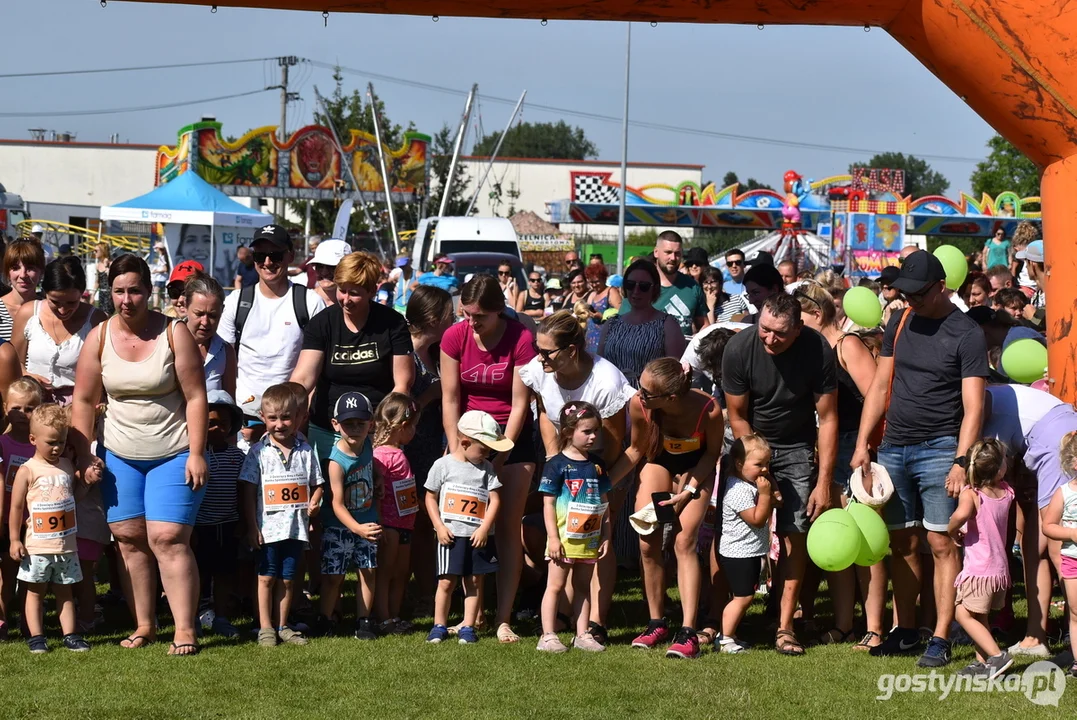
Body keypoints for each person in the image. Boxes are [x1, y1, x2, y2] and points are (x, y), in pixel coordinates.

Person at [852, 250, 988, 667]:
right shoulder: (900, 320)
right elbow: (879, 386)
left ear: (942, 287)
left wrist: (961, 461)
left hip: (941, 448)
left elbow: (974, 407)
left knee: (940, 542)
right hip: (894, 446)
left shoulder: (967, 333)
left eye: (918, 294)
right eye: (905, 293)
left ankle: (942, 637)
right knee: (901, 542)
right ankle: (907, 631)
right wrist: (863, 443)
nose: (910, 300)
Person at [71, 252, 209, 656]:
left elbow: (197, 397)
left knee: (167, 537)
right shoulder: (98, 336)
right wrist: (84, 453)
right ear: (108, 293)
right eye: (118, 291)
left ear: (149, 292)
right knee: (129, 539)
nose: (126, 299)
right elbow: (82, 399)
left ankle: (184, 629)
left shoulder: (174, 333)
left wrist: (197, 453)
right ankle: (144, 625)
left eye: (134, 290)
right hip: (119, 455)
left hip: (174, 451)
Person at [723, 292, 838, 657]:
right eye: (765, 330)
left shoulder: (818, 349)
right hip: (749, 443)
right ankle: (718, 619)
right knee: (732, 529)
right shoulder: (740, 347)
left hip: (796, 447)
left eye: (780, 334)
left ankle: (785, 627)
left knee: (795, 535)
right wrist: (755, 463)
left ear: (799, 328)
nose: (770, 339)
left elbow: (829, 418)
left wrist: (822, 482)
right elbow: (737, 415)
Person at [520, 310, 635, 643]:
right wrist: (556, 461)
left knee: (597, 539)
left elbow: (612, 443)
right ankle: (564, 616)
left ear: (572, 350)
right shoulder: (543, 371)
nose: (539, 358)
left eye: (546, 352)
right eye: (536, 349)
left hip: (603, 467)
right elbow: (544, 413)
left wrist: (597, 485)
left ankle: (595, 621)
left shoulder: (606, 381)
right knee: (564, 536)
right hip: (564, 461)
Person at [608, 358, 724, 660]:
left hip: (696, 470)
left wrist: (687, 492)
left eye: (647, 392)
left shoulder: (708, 409)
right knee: (648, 541)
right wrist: (605, 483)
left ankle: (688, 632)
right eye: (641, 387)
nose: (639, 394)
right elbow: (635, 450)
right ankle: (656, 622)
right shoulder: (640, 405)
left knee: (684, 541)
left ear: (671, 397)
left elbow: (712, 455)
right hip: (659, 465)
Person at [441, 274, 536, 643]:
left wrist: (499, 456)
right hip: (465, 438)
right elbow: (451, 397)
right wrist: (456, 451)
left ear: (499, 310)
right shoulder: (455, 336)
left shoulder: (520, 338)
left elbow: (519, 403)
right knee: (466, 526)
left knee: (507, 528)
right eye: (466, 314)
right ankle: (472, 614)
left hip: (510, 439)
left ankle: (503, 617)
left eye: (479, 316)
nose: (471, 322)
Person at [794, 281, 881, 647]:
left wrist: (865, 449)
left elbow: (878, 397)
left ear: (816, 313)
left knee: (865, 540)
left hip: (854, 450)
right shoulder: (811, 352)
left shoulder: (847, 345)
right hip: (826, 451)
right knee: (841, 534)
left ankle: (874, 625)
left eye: (799, 318)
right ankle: (845, 623)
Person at [290, 251, 413, 460]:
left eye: (354, 293)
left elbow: (402, 384)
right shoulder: (322, 323)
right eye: (342, 291)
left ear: (372, 291)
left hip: (376, 430)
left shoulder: (393, 323)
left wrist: (387, 433)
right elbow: (303, 378)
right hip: (328, 427)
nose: (346, 300)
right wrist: (286, 409)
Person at [241, 384, 323, 647]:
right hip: (267, 530)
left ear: (299, 417)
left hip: (295, 529)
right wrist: (252, 526)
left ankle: (283, 625)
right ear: (263, 418)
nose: (280, 424)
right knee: (266, 577)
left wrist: (315, 501)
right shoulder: (258, 452)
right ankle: (265, 627)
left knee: (288, 579)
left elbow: (317, 482)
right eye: (273, 418)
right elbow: (247, 490)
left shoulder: (306, 450)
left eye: (286, 417)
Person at [7, 403, 91, 653]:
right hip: (37, 545)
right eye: (51, 442)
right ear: (33, 439)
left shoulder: (66, 466)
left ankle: (70, 634)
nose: (57, 448)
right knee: (35, 592)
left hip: (65, 545)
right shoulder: (27, 470)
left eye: (62, 442)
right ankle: (37, 636)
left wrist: (85, 484)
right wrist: (14, 539)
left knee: (65, 591)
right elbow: (15, 508)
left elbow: (72, 499)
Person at [218, 224, 326, 418]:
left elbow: (317, 366)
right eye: (259, 256)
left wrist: (299, 414)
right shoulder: (236, 302)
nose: (267, 262)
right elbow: (223, 360)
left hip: (290, 416)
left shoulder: (310, 302)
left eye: (275, 255)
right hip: (243, 414)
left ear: (290, 256)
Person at [423, 410, 507, 645]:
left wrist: (484, 529)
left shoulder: (486, 468)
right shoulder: (443, 465)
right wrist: (438, 526)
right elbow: (430, 497)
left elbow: (495, 500)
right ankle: (438, 625)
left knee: (474, 582)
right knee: (446, 582)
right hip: (449, 536)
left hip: (477, 537)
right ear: (465, 442)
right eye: (484, 449)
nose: (487, 454)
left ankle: (468, 627)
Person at [535, 402, 611, 653]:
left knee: (583, 586)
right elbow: (548, 504)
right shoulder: (556, 465)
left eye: (595, 431)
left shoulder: (597, 465)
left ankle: (582, 634)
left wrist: (606, 534)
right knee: (555, 585)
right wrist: (553, 539)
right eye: (586, 431)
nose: (592, 436)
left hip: (589, 539)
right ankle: (547, 635)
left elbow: (604, 503)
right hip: (563, 539)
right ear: (568, 432)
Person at [947, 438, 1015, 678]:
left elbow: (962, 514)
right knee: (980, 615)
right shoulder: (1006, 491)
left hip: (979, 570)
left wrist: (952, 529)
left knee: (962, 614)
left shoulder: (972, 494)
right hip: (998, 570)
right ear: (999, 469)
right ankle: (983, 663)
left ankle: (998, 657)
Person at [315, 391, 379, 640]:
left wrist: (379, 480)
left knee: (369, 571)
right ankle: (325, 618)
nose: (354, 428)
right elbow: (337, 504)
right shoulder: (336, 461)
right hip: (339, 526)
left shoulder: (368, 445)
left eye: (360, 423)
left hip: (368, 519)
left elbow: (371, 469)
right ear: (335, 425)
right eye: (348, 423)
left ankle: (364, 620)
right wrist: (358, 528)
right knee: (333, 576)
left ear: (370, 424)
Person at [11, 257, 107, 406]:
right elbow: (14, 362)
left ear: (82, 293)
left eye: (71, 303)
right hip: (32, 403)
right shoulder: (28, 313)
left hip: (78, 406)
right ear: (45, 293)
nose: (63, 310)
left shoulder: (96, 320)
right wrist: (28, 375)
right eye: (55, 302)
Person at [718, 435, 777, 654]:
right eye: (758, 464)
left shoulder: (746, 484)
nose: (764, 470)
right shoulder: (738, 490)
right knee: (743, 597)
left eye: (767, 464)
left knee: (743, 596)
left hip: (748, 550)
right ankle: (725, 639)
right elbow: (757, 518)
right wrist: (765, 495)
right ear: (739, 464)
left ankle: (730, 635)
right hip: (738, 553)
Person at [194, 390, 245, 639]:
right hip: (199, 526)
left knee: (224, 573)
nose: (216, 428)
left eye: (222, 424)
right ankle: (193, 618)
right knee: (198, 573)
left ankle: (222, 617)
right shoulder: (193, 457)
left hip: (228, 524)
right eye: (210, 422)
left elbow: (243, 492)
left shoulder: (238, 457)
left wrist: (243, 524)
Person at [372, 392, 421, 634]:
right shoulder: (380, 455)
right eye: (414, 427)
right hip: (389, 524)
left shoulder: (399, 452)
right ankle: (383, 617)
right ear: (403, 426)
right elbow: (377, 493)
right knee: (386, 573)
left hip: (405, 523)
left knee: (401, 573)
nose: (415, 433)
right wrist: (381, 523)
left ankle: (395, 614)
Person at [0, 377, 44, 637]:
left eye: (29, 409)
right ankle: (3, 619)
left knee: (32, 574)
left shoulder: (39, 445)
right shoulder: (2, 444)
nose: (22, 414)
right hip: (5, 518)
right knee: (5, 572)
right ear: (6, 407)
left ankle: (31, 623)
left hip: (32, 521)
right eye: (16, 408)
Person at [599, 259, 684, 388]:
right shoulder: (611, 324)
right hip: (611, 397)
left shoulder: (668, 325)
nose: (636, 291)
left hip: (648, 399)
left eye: (643, 286)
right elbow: (600, 366)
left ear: (654, 289)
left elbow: (673, 373)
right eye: (631, 284)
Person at [623, 231, 708, 338]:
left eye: (677, 253)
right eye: (668, 252)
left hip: (682, 353)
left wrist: (694, 342)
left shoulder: (692, 287)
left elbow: (704, 324)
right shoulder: (640, 286)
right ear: (656, 252)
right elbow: (623, 325)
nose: (673, 258)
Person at [1041, 430, 1077, 678]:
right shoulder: (1064, 493)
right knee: (1075, 612)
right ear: (1075, 463)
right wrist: (1071, 533)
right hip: (1072, 560)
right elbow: (1048, 526)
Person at [184, 274, 237, 397]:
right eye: (199, 314)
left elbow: (229, 402)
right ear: (186, 306)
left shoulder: (226, 351)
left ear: (222, 310)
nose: (205, 322)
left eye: (212, 315)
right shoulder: (168, 344)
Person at [0, 238, 46, 342]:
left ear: (41, 272)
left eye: (30, 268)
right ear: (7, 272)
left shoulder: (49, 309)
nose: (23, 275)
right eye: (15, 268)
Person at [307, 238, 351, 307]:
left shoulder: (356, 306)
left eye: (331, 266)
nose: (324, 272)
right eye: (320, 266)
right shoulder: (305, 302)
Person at [94, 244, 114, 314]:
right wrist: (93, 294)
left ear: (103, 251)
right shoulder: (98, 265)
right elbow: (97, 281)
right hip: (101, 294)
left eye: (96, 251)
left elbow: (112, 280)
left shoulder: (111, 264)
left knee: (106, 315)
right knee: (101, 315)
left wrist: (107, 267)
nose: (94, 252)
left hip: (109, 294)